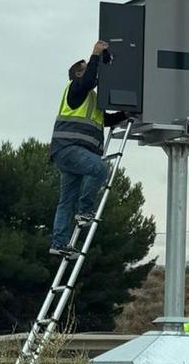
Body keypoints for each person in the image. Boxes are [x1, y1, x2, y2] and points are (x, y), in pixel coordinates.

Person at [49, 40, 130, 257]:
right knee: (100, 169)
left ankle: (58, 243)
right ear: (77, 74)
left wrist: (126, 114)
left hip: (69, 153)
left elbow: (106, 121)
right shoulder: (75, 89)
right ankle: (85, 211)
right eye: (85, 69)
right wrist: (95, 55)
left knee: (66, 200)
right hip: (70, 149)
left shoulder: (91, 100)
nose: (91, 72)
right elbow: (88, 80)